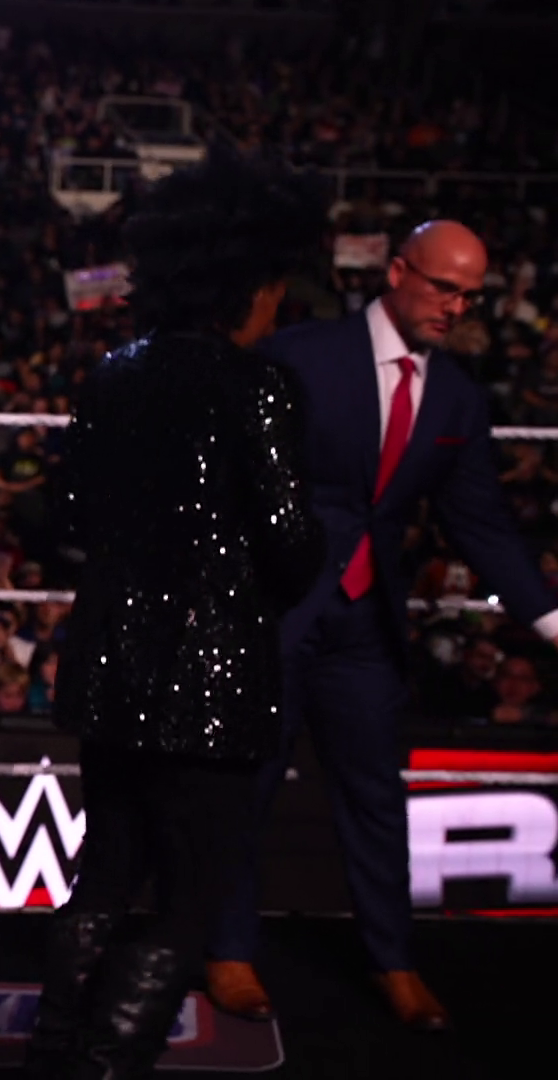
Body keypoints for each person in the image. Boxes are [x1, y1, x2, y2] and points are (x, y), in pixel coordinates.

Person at [208, 220, 558, 1033]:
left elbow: (482, 524)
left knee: (376, 799)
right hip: (274, 614)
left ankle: (394, 960)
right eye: (444, 287)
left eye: (470, 296)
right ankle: (227, 949)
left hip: (367, 629)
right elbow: (228, 476)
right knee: (245, 790)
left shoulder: (458, 397)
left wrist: (549, 619)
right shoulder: (299, 356)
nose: (457, 307)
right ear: (397, 271)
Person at [26, 148, 328, 1079]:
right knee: (189, 900)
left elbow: (63, 521)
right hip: (211, 684)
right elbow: (291, 544)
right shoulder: (258, 388)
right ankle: (107, 1065)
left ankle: (55, 1055)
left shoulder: (114, 375)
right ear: (246, 285)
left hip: (113, 673)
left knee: (103, 880)